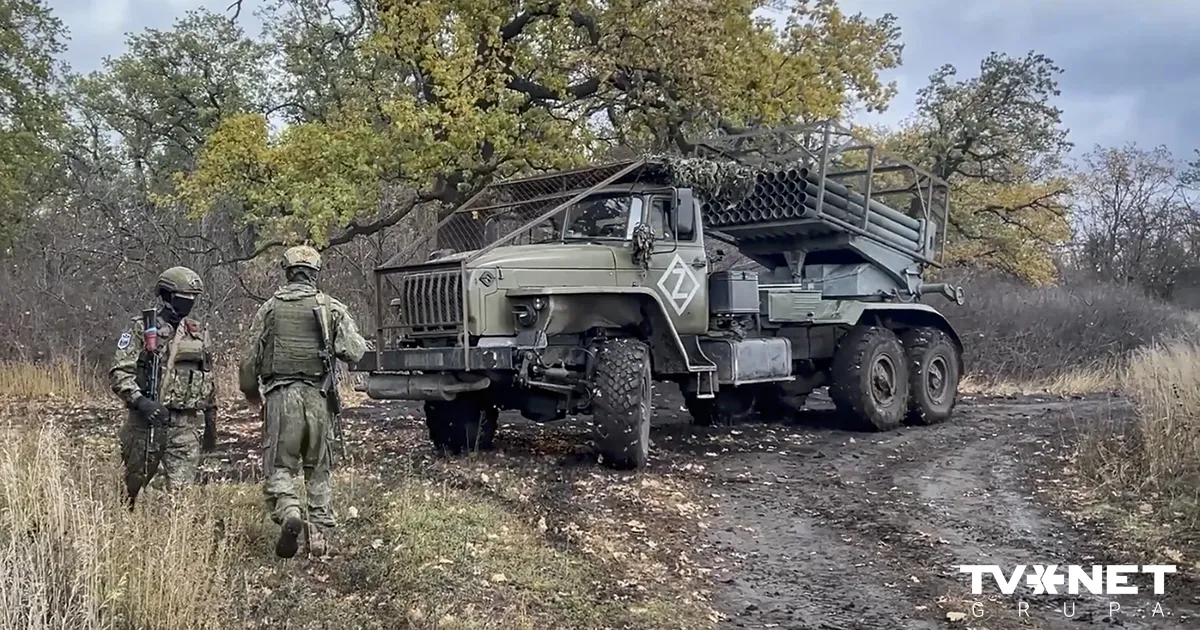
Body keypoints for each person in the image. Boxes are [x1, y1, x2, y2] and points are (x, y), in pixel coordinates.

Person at [239, 245, 367, 559]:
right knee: (319, 469)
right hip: (319, 398)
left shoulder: (269, 309)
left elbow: (247, 361)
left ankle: (289, 510)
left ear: (287, 271)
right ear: (314, 273)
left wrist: (252, 395)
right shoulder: (331, 307)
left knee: (280, 466)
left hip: (282, 398)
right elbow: (355, 351)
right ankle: (319, 540)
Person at [109, 266, 218, 507]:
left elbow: (208, 377)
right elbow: (119, 372)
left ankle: (176, 537)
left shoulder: (197, 333)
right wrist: (140, 402)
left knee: (181, 497)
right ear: (167, 296)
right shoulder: (142, 328)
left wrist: (211, 420)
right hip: (145, 424)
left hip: (185, 426)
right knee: (133, 492)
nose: (188, 304)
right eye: (182, 299)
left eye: (193, 299)